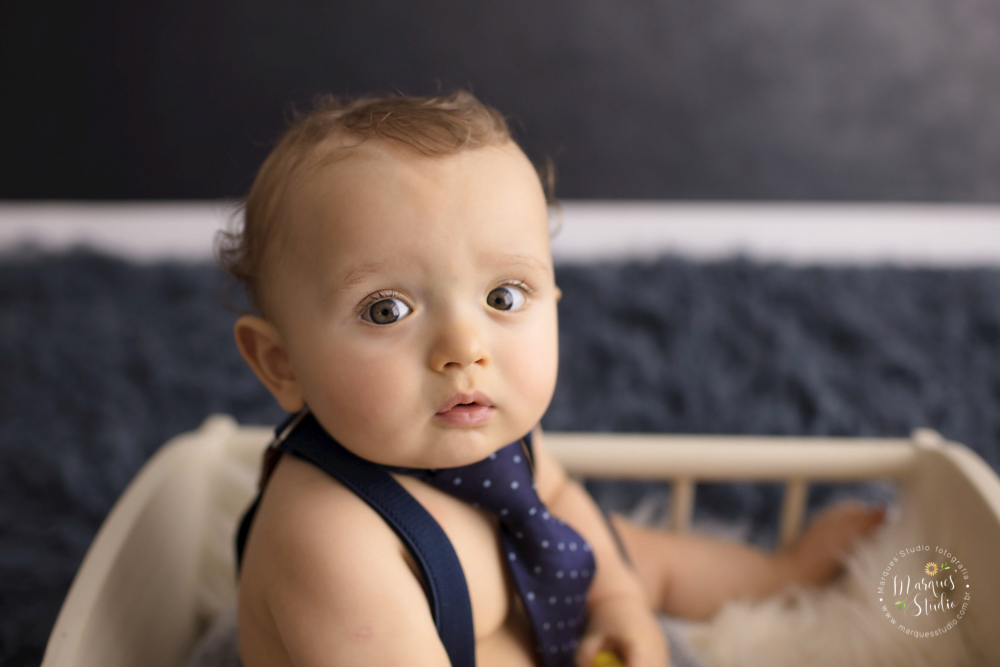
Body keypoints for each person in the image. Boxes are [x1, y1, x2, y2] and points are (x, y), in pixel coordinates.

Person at [221, 90, 886, 667]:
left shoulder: (477, 427)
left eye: (504, 297)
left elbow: (558, 498)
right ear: (282, 364)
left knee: (636, 552)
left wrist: (619, 606)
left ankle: (780, 572)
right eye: (386, 309)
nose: (465, 349)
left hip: (539, 609)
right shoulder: (331, 540)